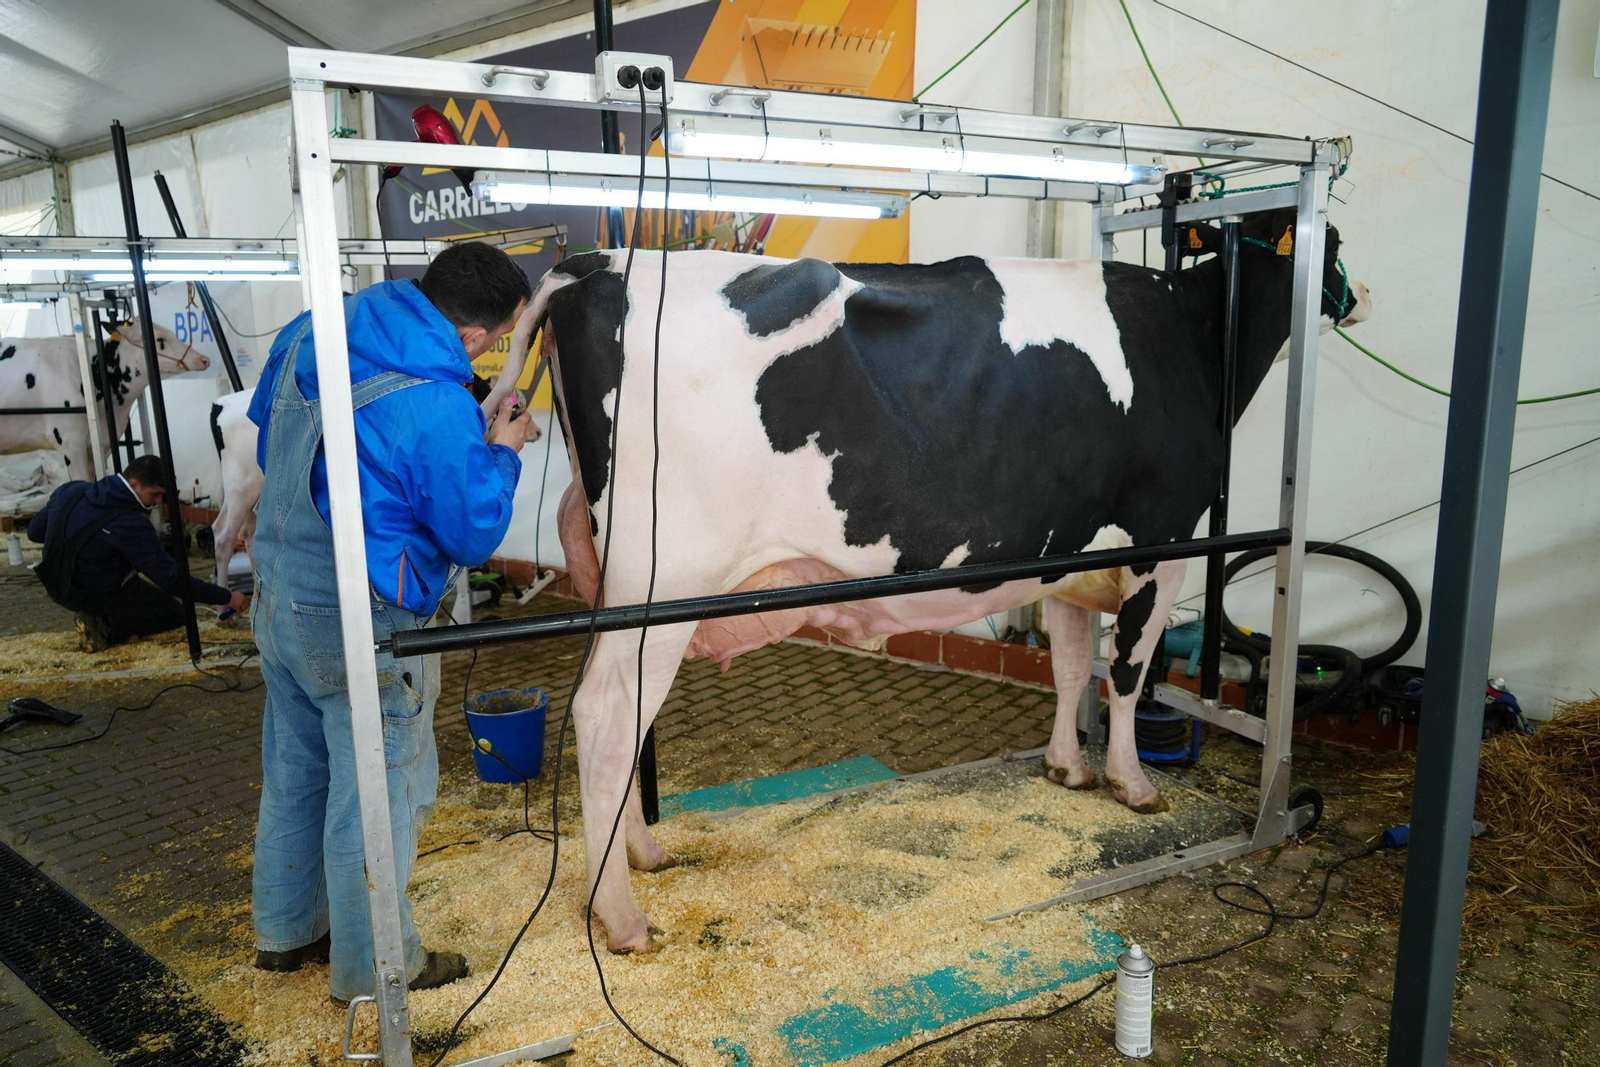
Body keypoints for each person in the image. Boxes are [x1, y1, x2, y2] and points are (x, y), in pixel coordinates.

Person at [248, 242, 535, 1003]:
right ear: (476, 335)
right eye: (501, 336)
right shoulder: (435, 402)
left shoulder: (314, 328)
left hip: (277, 591)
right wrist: (501, 451)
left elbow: (271, 432)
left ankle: (285, 931)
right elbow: (473, 531)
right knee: (375, 791)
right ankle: (376, 970)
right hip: (361, 616)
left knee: (297, 769)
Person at [27, 453, 248, 652]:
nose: (158, 502)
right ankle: (105, 627)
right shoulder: (129, 524)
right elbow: (171, 579)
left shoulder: (71, 490)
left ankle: (98, 609)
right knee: (174, 614)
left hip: (56, 582)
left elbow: (34, 532)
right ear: (134, 484)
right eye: (155, 494)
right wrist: (226, 596)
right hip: (91, 589)